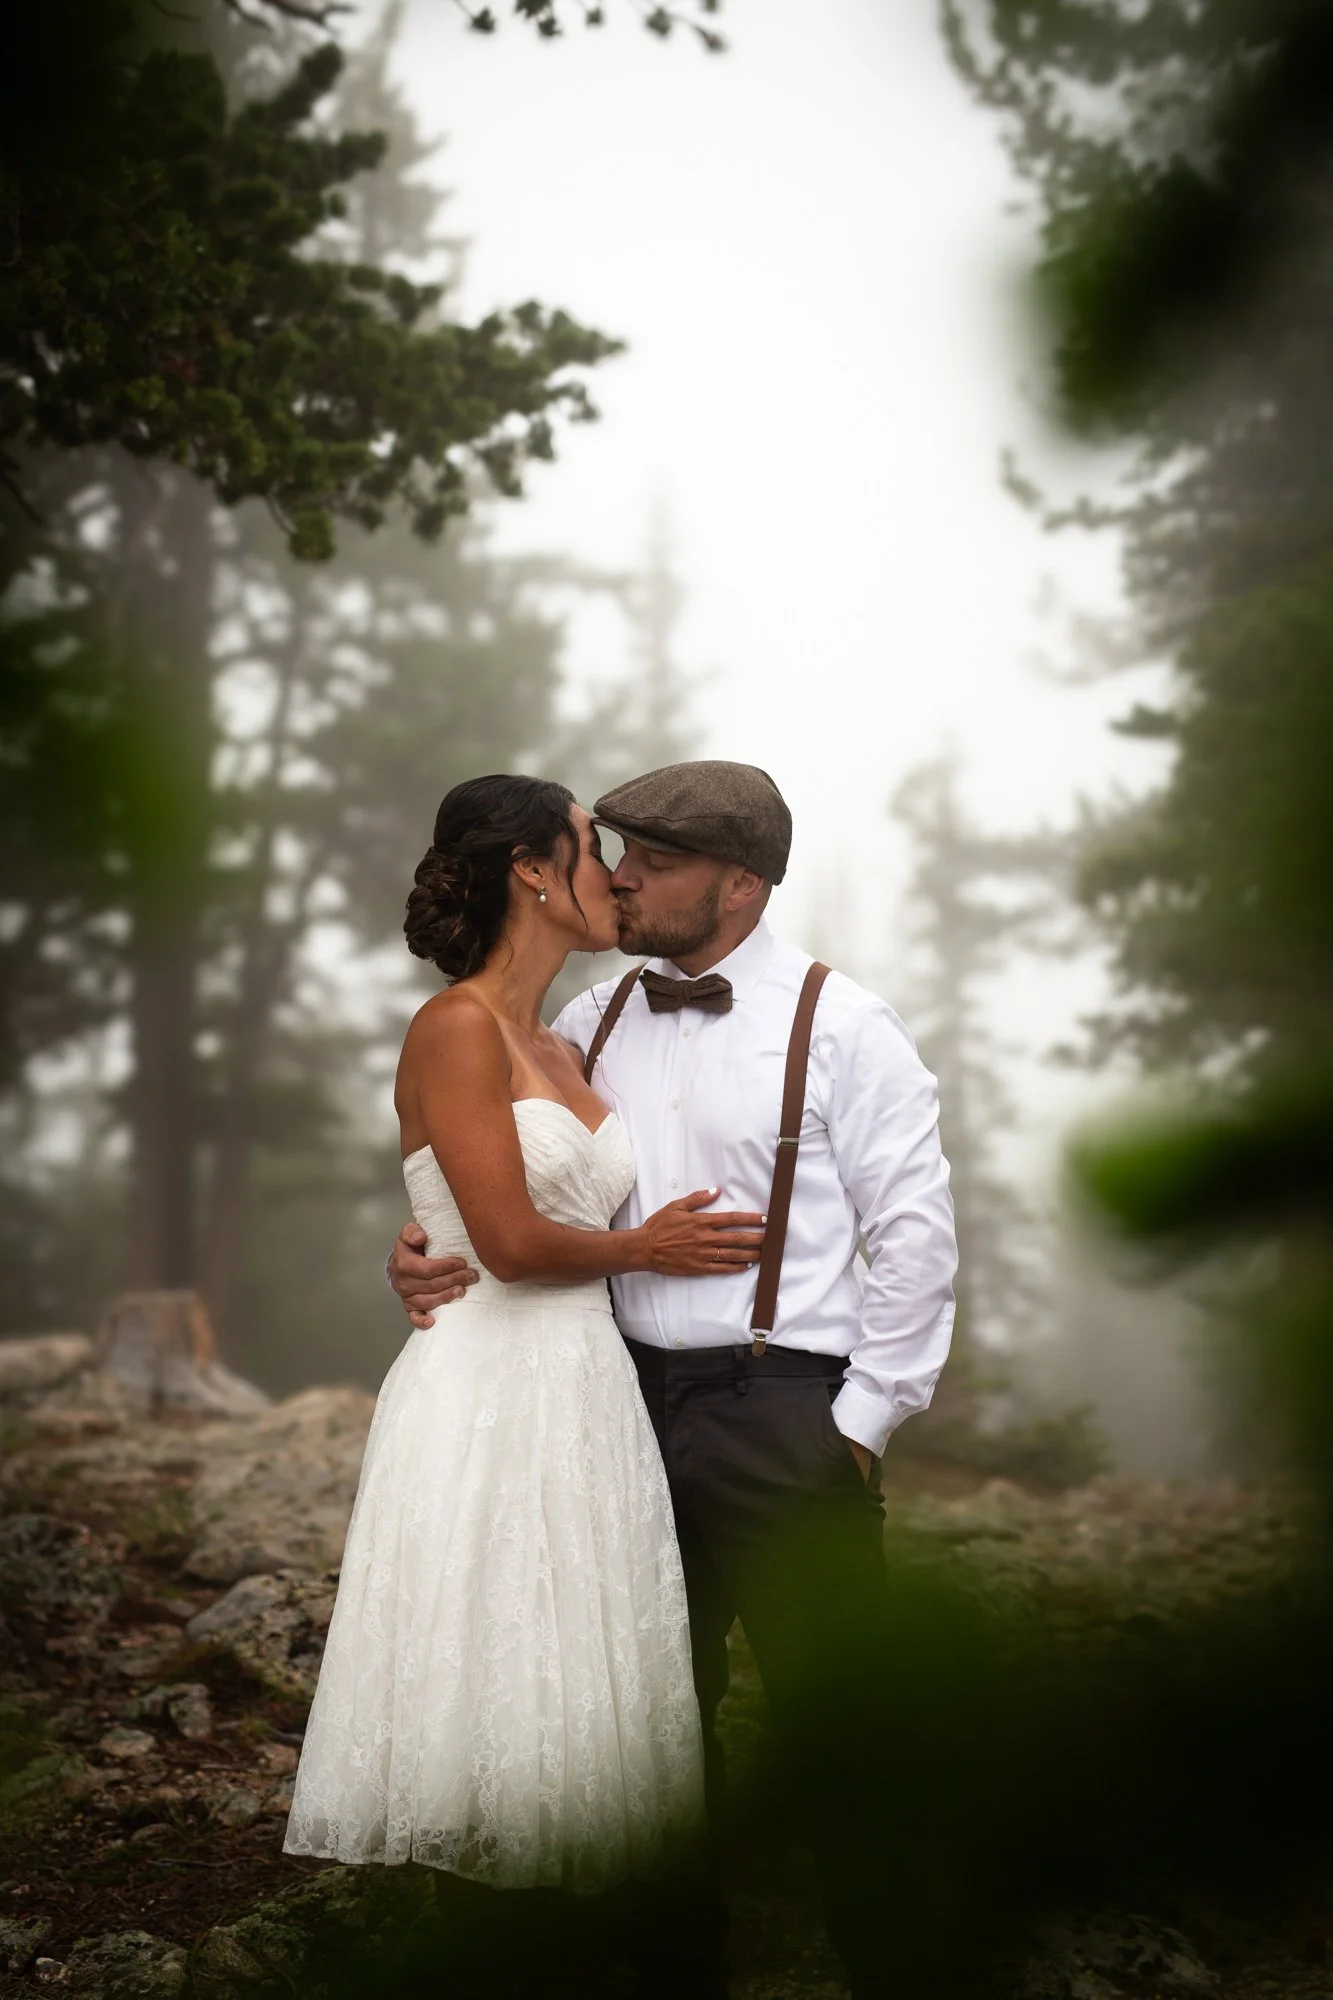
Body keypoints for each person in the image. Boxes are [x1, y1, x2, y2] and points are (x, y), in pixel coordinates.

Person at [389, 759, 959, 2000]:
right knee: (644, 1747)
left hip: (782, 1414)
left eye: (655, 857)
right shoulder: (578, 1022)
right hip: (612, 1414)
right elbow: (504, 1190)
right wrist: (426, 1251)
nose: (625, 873)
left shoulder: (841, 1023)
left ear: (740, 883)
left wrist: (854, 1430)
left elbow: (915, 1241)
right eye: (616, 849)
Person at [285, 775, 771, 1921]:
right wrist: (645, 1247)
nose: (617, 875)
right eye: (594, 850)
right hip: (488, 1385)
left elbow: (479, 1205)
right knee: (490, 1676)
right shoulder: (453, 1025)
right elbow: (500, 1240)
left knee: (570, 1682)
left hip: (584, 1384)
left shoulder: (561, 1044)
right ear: (534, 871)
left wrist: (423, 1242)